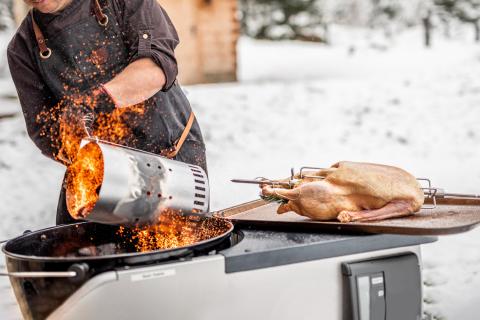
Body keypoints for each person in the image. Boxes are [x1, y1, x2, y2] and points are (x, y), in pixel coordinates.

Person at [7, 0, 207, 224]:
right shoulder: (22, 49)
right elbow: (43, 129)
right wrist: (70, 135)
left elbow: (156, 68)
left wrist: (93, 102)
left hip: (170, 165)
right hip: (99, 181)